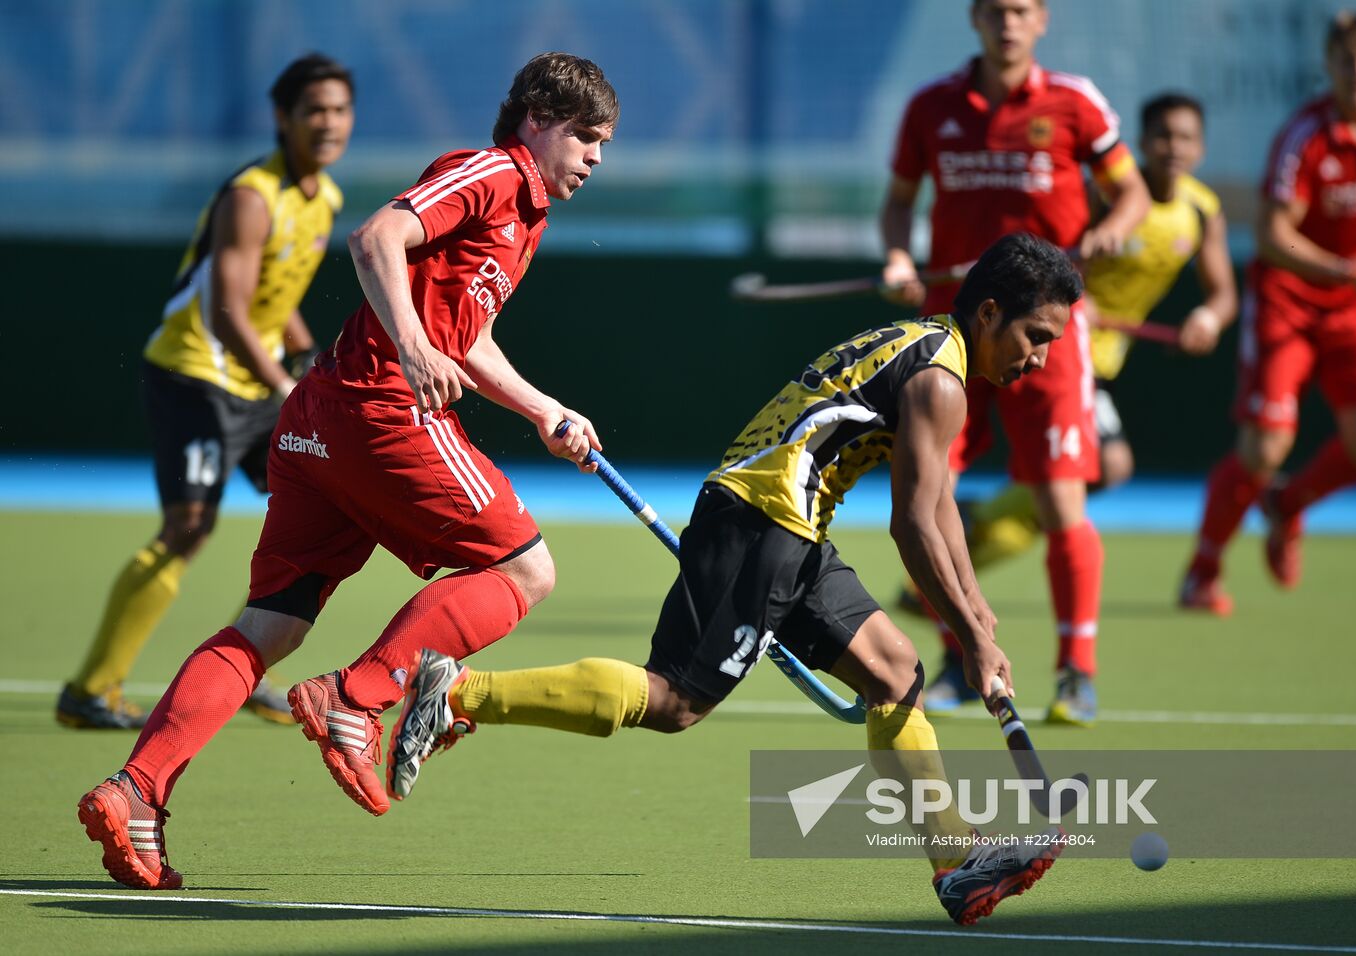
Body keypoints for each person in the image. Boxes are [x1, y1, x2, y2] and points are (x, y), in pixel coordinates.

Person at [387, 234, 1083, 927]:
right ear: (989, 313)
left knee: (895, 671)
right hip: (764, 522)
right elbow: (913, 526)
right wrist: (968, 636)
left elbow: (939, 513)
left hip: (790, 524)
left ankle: (957, 864)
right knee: (673, 702)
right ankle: (457, 691)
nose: (1040, 358)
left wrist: (976, 611)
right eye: (1036, 336)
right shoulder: (939, 380)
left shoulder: (931, 347)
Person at [76, 52, 616, 891]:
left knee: (271, 625)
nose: (594, 158)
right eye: (585, 137)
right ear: (537, 120)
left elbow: (462, 334)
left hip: (319, 421)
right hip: (379, 411)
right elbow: (378, 238)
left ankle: (135, 793)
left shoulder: (527, 218)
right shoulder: (489, 174)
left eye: (603, 145)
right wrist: (406, 346)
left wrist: (542, 408)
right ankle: (358, 699)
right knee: (524, 568)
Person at [57, 54, 355, 730]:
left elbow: (278, 301)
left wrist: (308, 363)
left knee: (317, 513)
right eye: (315, 110)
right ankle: (89, 692)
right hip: (197, 374)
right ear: (283, 118)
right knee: (188, 527)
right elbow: (228, 311)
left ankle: (247, 665)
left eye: (339, 109)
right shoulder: (253, 195)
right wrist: (289, 388)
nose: (329, 122)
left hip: (258, 383)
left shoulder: (324, 198)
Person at [878, 0, 1150, 726]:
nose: (1008, 22)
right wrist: (901, 256)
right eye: (996, 10)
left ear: (1043, 20)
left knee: (1062, 503)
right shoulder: (931, 107)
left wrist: (1111, 232)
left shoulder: (1074, 103)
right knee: (929, 498)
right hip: (955, 337)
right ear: (975, 18)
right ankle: (958, 661)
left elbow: (1133, 195)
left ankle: (1077, 671)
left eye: (1022, 10)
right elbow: (900, 201)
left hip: (1045, 338)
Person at [908, 92, 1237, 618]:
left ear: (1200, 147)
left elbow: (1223, 295)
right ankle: (957, 568)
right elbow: (1045, 258)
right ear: (1142, 143)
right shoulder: (1099, 196)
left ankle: (976, 529)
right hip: (1057, 346)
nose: (1173, 148)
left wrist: (1208, 318)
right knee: (1099, 469)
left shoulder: (1201, 210)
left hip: (1104, 360)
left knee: (1094, 475)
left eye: (1186, 138)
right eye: (1162, 136)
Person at [1180, 11, 1356, 614]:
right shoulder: (1306, 134)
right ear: (1328, 68)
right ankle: (1202, 572)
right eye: (1347, 61)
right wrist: (1344, 268)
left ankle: (1287, 505)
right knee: (1263, 448)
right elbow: (1276, 235)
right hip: (1290, 300)